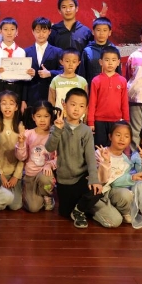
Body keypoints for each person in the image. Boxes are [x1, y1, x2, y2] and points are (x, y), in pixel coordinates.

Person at [45, 88, 102, 228]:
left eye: (81, 106)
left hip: (81, 177)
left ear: (86, 109)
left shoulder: (86, 131)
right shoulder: (57, 126)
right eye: (73, 104)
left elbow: (90, 156)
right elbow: (49, 148)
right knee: (64, 213)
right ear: (64, 105)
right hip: (64, 179)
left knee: (97, 190)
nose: (77, 109)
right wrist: (58, 130)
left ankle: (79, 210)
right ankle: (79, 208)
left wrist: (94, 178)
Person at [92, 121, 142, 227]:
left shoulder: (126, 160)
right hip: (96, 194)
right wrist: (105, 162)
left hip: (110, 192)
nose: (122, 139)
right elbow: (102, 179)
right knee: (116, 221)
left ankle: (119, 211)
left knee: (126, 194)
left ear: (130, 140)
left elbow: (117, 183)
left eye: (126, 136)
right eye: (118, 135)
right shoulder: (100, 152)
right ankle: (92, 210)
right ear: (110, 136)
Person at [14, 100, 58, 212]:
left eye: (46, 116)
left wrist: (49, 165)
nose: (42, 120)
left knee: (45, 179)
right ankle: (33, 193)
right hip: (30, 175)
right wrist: (21, 143)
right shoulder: (28, 134)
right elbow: (21, 157)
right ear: (33, 117)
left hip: (45, 174)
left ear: (51, 117)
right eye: (39, 116)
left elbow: (58, 158)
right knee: (33, 208)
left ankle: (48, 195)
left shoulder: (54, 135)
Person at [22, 17, 63, 123]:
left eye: (44, 31)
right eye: (38, 31)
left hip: (50, 95)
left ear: (49, 32)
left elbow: (64, 72)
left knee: (49, 125)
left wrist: (50, 73)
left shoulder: (57, 51)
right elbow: (22, 78)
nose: (41, 34)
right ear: (32, 32)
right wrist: (23, 99)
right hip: (31, 96)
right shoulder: (25, 52)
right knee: (31, 125)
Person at [88, 46, 129, 147]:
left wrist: (126, 120)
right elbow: (92, 102)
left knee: (115, 146)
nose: (110, 63)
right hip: (99, 120)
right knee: (99, 147)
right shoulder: (96, 80)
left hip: (117, 120)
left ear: (118, 62)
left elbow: (124, 102)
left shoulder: (122, 81)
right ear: (100, 62)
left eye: (113, 60)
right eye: (107, 60)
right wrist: (91, 122)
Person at [0, 90, 25, 211]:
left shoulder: (21, 127)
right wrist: (1, 176)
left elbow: (23, 156)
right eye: (4, 103)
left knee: (15, 206)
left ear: (16, 107)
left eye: (11, 103)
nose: (7, 107)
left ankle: (16, 189)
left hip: (14, 173)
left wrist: (16, 176)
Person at [0, 17, 27, 107]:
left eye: (12, 29)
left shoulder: (21, 52)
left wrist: (29, 74)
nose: (9, 33)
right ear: (0, 32)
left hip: (16, 87)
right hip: (0, 86)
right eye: (5, 29)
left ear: (17, 32)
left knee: (15, 113)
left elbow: (24, 75)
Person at [78, 16, 121, 87]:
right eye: (98, 30)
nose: (101, 33)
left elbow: (118, 73)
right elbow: (82, 74)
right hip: (92, 88)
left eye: (105, 30)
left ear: (110, 32)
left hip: (110, 89)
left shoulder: (114, 50)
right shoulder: (87, 51)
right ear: (93, 32)